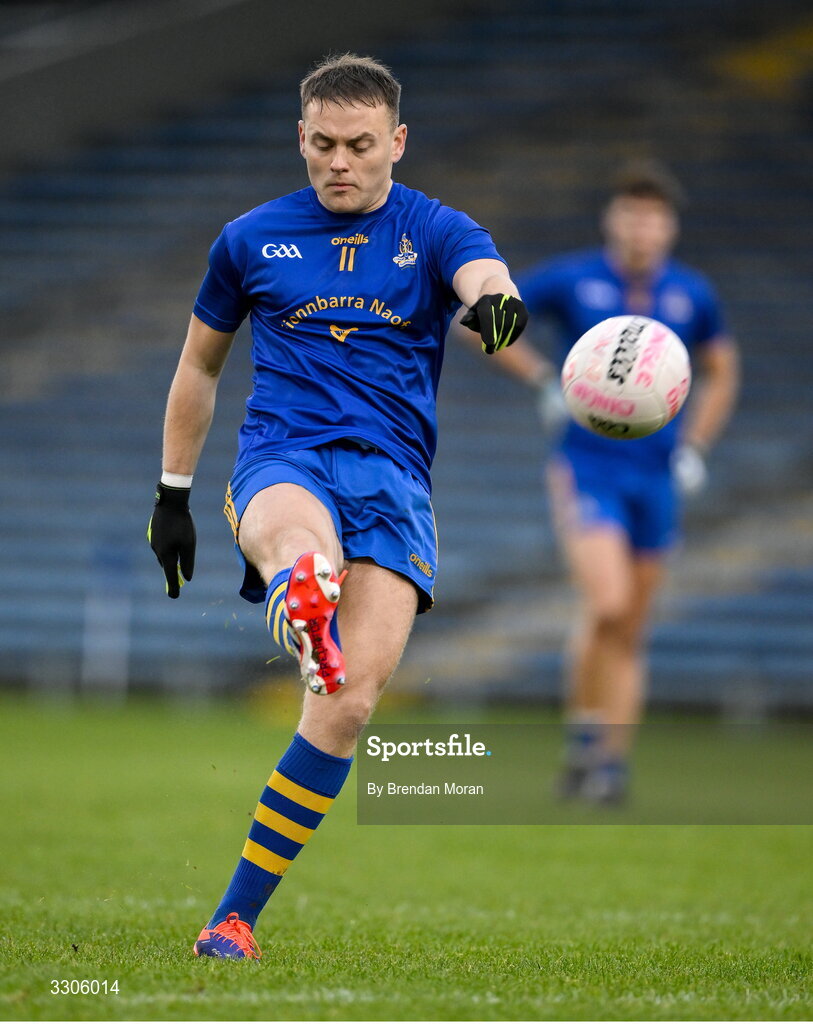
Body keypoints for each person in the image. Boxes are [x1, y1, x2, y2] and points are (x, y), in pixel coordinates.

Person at [147, 53, 527, 959]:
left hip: (394, 481)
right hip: (285, 455)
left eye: (360, 145)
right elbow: (199, 366)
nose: (339, 163)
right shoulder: (249, 240)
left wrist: (497, 308)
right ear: (301, 138)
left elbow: (487, 277)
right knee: (299, 543)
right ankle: (300, 590)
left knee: (348, 708)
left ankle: (233, 918)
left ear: (396, 141)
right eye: (322, 144)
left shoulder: (435, 230)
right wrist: (171, 494)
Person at [486, 160, 739, 804]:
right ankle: (584, 736)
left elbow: (722, 370)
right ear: (611, 219)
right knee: (607, 603)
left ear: (670, 227)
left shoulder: (691, 293)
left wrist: (697, 448)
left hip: (657, 476)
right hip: (587, 466)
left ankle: (607, 764)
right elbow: (486, 321)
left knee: (631, 625)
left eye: (653, 216)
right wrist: (544, 378)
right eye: (631, 213)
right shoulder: (573, 278)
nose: (641, 227)